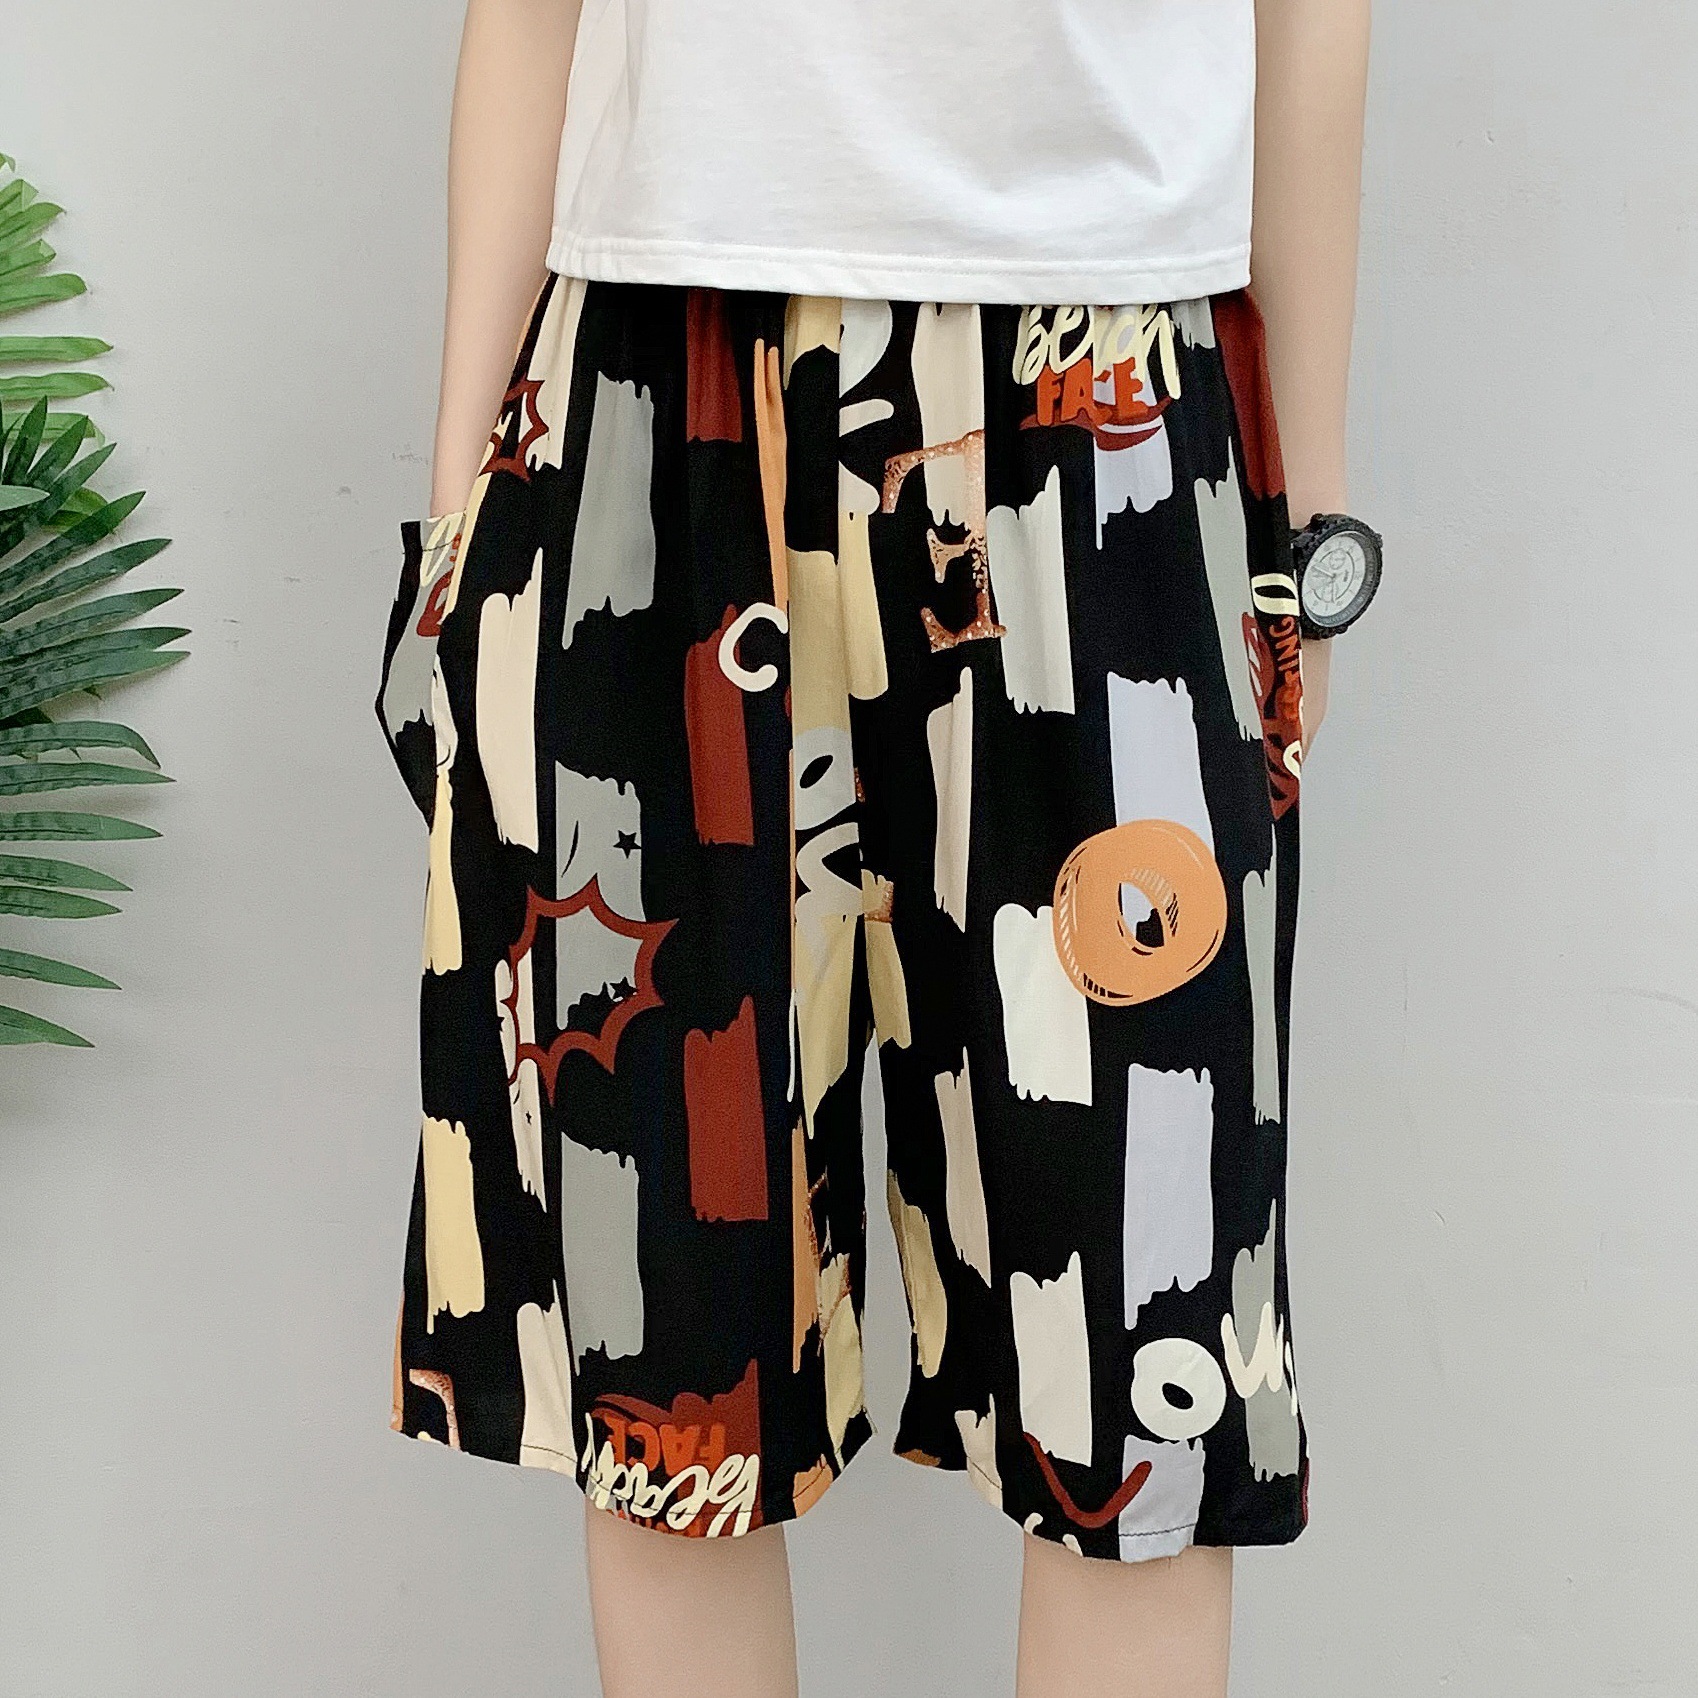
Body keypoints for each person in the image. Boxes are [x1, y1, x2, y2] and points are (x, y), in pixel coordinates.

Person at [374, 2, 1377, 1693]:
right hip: (657, 374)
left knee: (1142, 1378)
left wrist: (1305, 522)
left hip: (1109, 386)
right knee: (674, 1381)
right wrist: (462, 534)